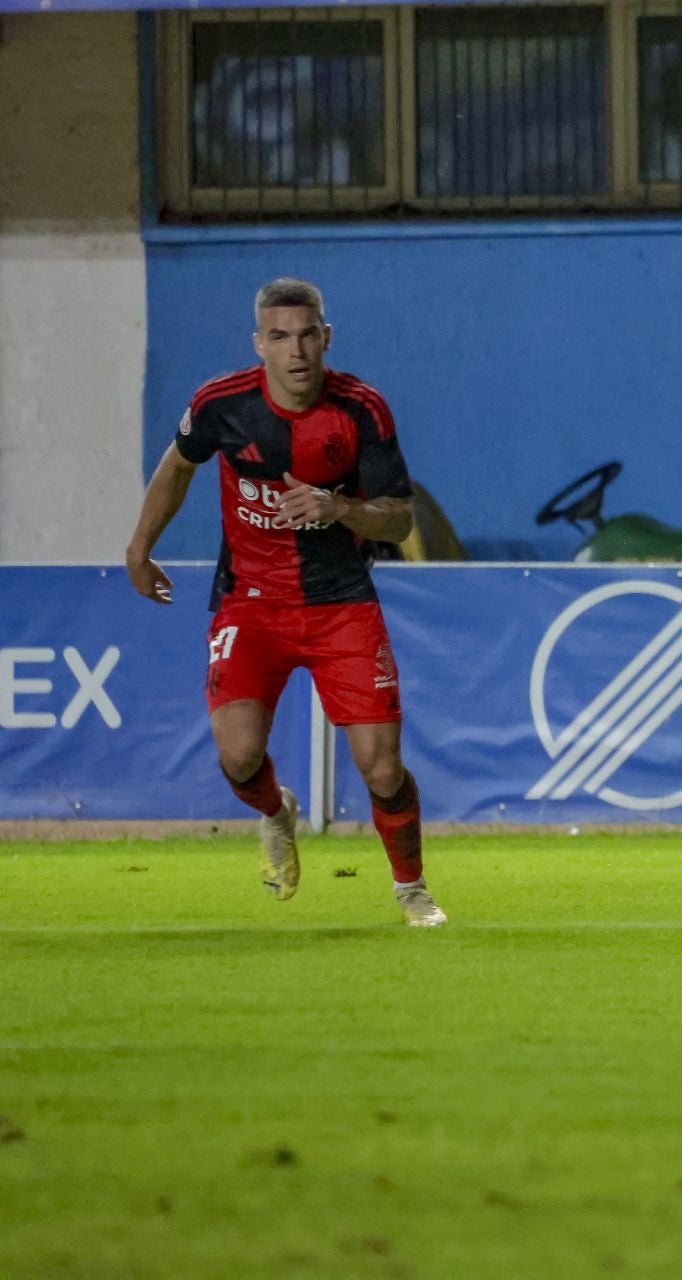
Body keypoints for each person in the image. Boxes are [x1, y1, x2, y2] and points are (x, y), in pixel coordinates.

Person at [124, 277, 447, 928]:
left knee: (381, 769)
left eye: (307, 335)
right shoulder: (223, 405)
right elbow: (178, 463)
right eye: (280, 337)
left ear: (325, 337)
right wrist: (140, 545)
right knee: (238, 755)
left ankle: (411, 890)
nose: (296, 351)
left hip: (342, 604)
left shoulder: (362, 410)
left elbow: (400, 520)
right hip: (251, 601)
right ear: (260, 344)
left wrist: (342, 509)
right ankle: (276, 812)